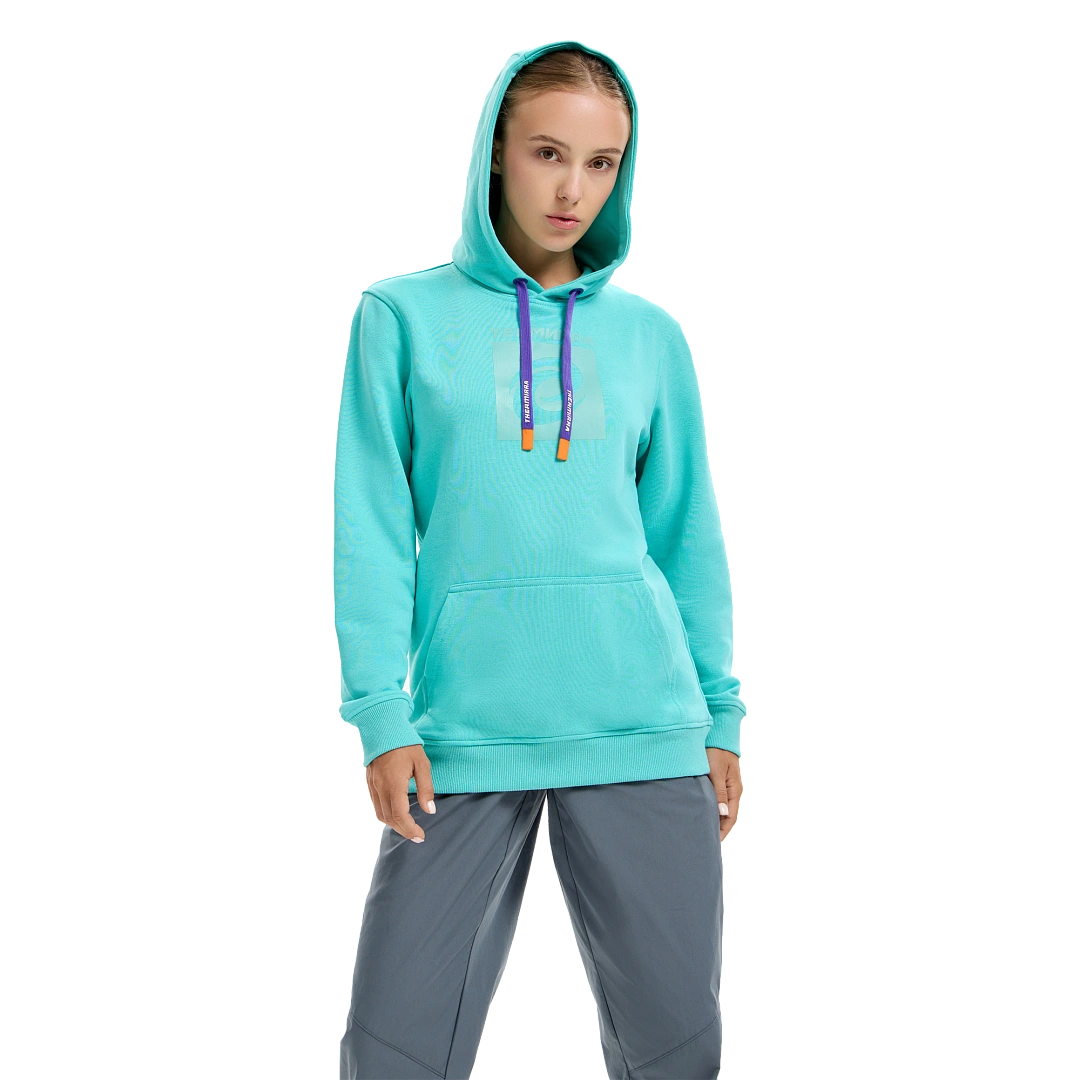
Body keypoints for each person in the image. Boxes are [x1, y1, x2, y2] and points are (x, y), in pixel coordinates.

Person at [335, 39, 743, 1080]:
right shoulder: (400, 320)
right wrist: (381, 712)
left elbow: (686, 539)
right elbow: (370, 526)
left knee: (678, 1055)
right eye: (547, 153)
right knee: (391, 1051)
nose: (572, 191)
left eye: (600, 163)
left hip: (644, 728)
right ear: (494, 154)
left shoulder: (650, 338)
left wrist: (720, 712)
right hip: (461, 736)